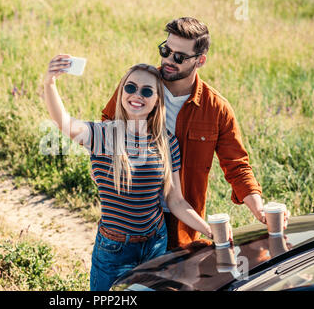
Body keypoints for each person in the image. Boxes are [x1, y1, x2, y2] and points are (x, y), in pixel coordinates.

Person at [101, 17, 290, 250]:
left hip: (183, 219)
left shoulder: (216, 109)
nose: (169, 60)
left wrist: (260, 210)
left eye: (179, 57)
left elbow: (237, 167)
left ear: (200, 60)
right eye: (166, 51)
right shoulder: (137, 87)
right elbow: (107, 128)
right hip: (131, 217)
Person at [43, 56, 215, 291]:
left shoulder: (166, 142)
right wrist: (50, 83)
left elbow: (175, 200)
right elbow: (64, 122)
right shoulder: (104, 135)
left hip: (156, 242)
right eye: (131, 88)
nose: (137, 95)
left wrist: (208, 230)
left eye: (146, 91)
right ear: (122, 93)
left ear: (157, 100)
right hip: (115, 248)